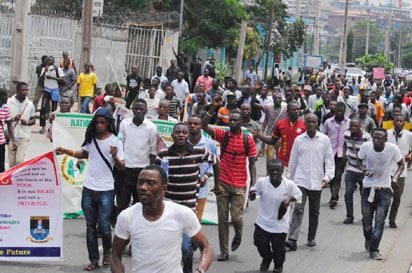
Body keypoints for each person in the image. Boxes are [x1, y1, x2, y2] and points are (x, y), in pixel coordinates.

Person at [55, 107, 125, 270]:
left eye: (102, 123)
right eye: (97, 122)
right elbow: (85, 154)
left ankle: (107, 252)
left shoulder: (116, 141)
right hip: (88, 188)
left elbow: (122, 167)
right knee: (90, 227)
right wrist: (65, 151)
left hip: (106, 189)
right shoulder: (91, 138)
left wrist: (114, 155)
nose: (99, 125)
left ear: (108, 123)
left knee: (105, 226)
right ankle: (94, 259)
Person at [111, 165, 213, 273]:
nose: (143, 187)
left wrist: (200, 270)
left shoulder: (181, 214)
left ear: (164, 188)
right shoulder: (127, 216)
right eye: (140, 182)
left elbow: (206, 247)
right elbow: (115, 256)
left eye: (150, 183)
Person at [155, 122, 216, 273]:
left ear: (188, 136)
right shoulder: (163, 155)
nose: (181, 135)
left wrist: (217, 183)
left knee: (186, 249)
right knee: (167, 249)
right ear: (172, 136)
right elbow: (155, 175)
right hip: (169, 209)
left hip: (189, 210)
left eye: (184, 133)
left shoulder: (199, 152)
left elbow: (216, 161)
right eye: (178, 132)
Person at [202, 106, 257, 262]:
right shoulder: (223, 135)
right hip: (223, 182)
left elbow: (252, 163)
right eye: (230, 120)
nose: (232, 122)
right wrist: (212, 108)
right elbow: (204, 126)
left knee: (237, 218)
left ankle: (238, 235)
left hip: (240, 184)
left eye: (235, 120)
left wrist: (253, 185)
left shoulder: (248, 139)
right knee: (222, 218)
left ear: (241, 122)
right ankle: (224, 250)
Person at [285, 113, 334, 251]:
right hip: (301, 180)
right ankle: (292, 239)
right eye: (309, 122)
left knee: (314, 211)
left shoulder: (324, 140)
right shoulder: (299, 140)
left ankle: (311, 237)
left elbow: (329, 160)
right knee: (298, 210)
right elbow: (293, 161)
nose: (311, 124)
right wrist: (290, 181)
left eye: (314, 122)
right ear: (305, 124)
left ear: (317, 123)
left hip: (317, 181)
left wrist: (327, 177)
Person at [357, 128, 404, 260]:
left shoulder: (392, 149)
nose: (376, 141)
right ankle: (368, 239)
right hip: (368, 188)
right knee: (366, 221)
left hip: (384, 189)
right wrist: (363, 170)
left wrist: (395, 178)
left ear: (385, 140)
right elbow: (358, 160)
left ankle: (374, 249)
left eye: (380, 138)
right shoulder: (366, 147)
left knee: (379, 222)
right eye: (374, 138)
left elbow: (401, 165)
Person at [249, 159, 302, 273]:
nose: (275, 173)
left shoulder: (289, 184)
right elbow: (254, 192)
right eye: (272, 170)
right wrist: (252, 195)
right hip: (263, 222)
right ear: (268, 171)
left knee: (278, 249)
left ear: (282, 171)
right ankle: (267, 257)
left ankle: (278, 266)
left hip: (280, 224)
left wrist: (289, 199)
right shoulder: (262, 182)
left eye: (278, 170)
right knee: (259, 242)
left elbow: (298, 194)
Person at [118, 99, 157, 214]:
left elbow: (153, 150)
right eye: (136, 109)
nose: (139, 111)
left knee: (139, 202)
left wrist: (149, 171)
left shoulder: (151, 127)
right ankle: (120, 227)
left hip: (142, 170)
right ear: (132, 110)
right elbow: (119, 142)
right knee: (122, 201)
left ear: (146, 111)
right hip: (125, 169)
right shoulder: (124, 124)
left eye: (142, 109)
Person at [254, 101, 306, 169]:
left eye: (298, 109)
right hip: (283, 163)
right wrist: (258, 135)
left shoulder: (304, 125)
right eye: (294, 109)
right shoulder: (281, 124)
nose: (296, 111)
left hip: (299, 164)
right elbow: (272, 140)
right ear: (287, 111)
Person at [187, 115, 218, 222]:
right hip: (184, 190)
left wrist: (206, 176)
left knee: (196, 223)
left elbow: (214, 164)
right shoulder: (182, 143)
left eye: (196, 124)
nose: (192, 126)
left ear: (201, 127)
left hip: (201, 190)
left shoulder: (209, 144)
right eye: (190, 123)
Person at [342, 118, 371, 224]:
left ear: (360, 127)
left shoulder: (367, 137)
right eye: (351, 126)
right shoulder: (346, 134)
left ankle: (366, 215)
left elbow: (370, 151)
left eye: (355, 126)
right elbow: (344, 144)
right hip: (351, 168)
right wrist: (344, 154)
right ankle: (350, 216)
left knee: (364, 195)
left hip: (363, 171)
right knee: (348, 193)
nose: (353, 128)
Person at [322, 102, 350, 209]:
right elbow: (323, 137)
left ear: (344, 111)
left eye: (340, 111)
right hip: (329, 153)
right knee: (331, 176)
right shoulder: (328, 122)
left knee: (338, 175)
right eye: (337, 110)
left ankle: (334, 197)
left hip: (341, 154)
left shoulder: (348, 123)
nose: (338, 112)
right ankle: (333, 195)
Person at [386, 115, 412, 228]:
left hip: (401, 170)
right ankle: (381, 217)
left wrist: (410, 155)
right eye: (396, 120)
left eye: (401, 121)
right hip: (387, 169)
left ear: (404, 123)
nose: (398, 123)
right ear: (393, 122)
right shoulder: (386, 133)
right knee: (385, 195)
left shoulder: (409, 135)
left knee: (397, 196)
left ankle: (392, 219)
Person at [8, 82, 36, 168]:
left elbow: (33, 119)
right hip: (11, 136)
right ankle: (11, 181)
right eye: (23, 90)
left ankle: (18, 180)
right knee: (12, 163)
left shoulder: (30, 104)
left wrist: (27, 123)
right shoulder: (9, 102)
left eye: (27, 90)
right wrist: (13, 119)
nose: (25, 92)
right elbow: (3, 118)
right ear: (17, 90)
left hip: (24, 136)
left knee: (19, 161)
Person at [39, 56, 64, 134]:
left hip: (55, 90)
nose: (49, 61)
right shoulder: (44, 69)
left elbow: (62, 79)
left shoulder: (57, 69)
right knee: (43, 108)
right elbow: (40, 79)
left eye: (50, 60)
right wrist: (44, 72)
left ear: (53, 61)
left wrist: (52, 78)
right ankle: (43, 126)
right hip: (47, 89)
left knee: (54, 109)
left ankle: (52, 126)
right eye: (48, 60)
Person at [0, 88, 15, 172]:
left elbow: (9, 124)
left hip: (1, 141)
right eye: (5, 95)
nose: (7, 97)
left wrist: (13, 139)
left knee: (1, 167)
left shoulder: (6, 108)